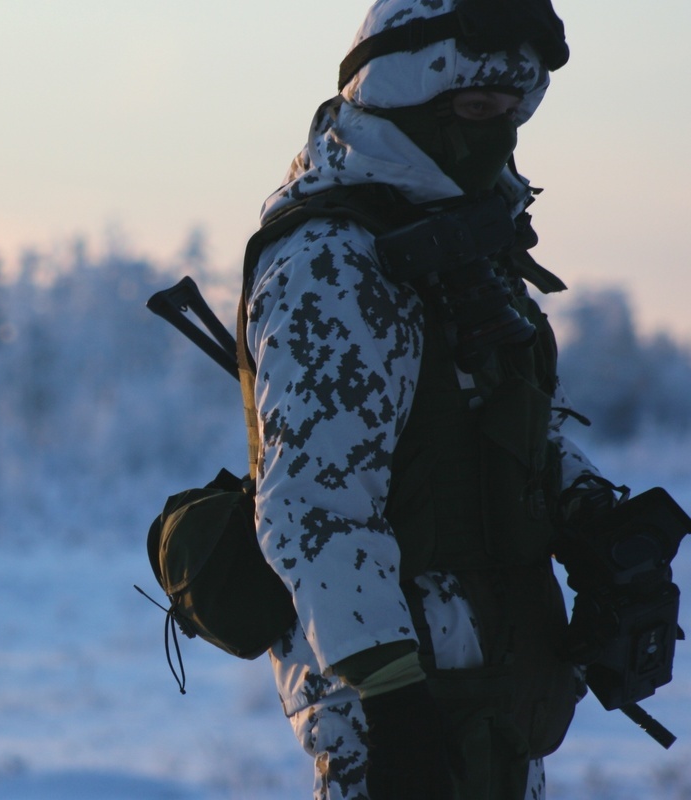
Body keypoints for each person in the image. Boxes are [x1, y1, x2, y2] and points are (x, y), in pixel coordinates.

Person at [242, 0, 604, 797]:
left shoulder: (463, 244)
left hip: (492, 688)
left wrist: (603, 526)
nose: (499, 132)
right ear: (407, 97)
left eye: (513, 111)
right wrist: (393, 699)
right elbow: (312, 505)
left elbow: (502, 426)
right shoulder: (333, 263)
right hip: (395, 709)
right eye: (476, 108)